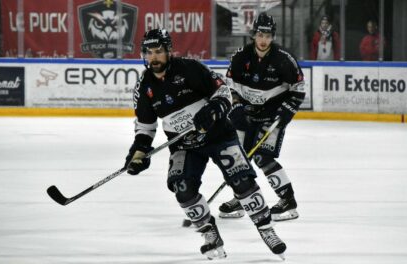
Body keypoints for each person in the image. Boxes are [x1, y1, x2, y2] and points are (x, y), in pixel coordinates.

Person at [124, 28, 287, 260]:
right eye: (148, 52)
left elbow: (223, 91)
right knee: (182, 189)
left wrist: (212, 109)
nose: (153, 57)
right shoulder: (144, 87)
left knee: (241, 180)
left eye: (158, 51)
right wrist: (139, 151)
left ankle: (266, 229)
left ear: (169, 51)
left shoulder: (190, 68)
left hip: (218, 135)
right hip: (183, 145)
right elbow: (145, 126)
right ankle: (210, 234)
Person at [218, 12, 305, 222]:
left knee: (262, 157)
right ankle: (242, 196)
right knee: (237, 158)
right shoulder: (240, 57)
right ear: (253, 35)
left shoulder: (284, 60)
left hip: (271, 117)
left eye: (267, 35)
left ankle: (288, 201)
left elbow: (299, 89)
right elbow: (229, 85)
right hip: (245, 115)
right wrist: (236, 105)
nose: (263, 40)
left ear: (273, 36)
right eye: (260, 35)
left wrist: (285, 111)